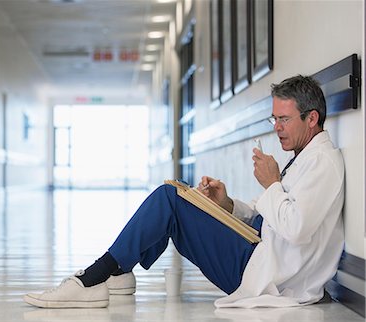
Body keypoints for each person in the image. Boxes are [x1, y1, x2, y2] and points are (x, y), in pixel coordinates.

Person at [24, 75, 344, 309]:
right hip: (258, 251)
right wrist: (227, 203)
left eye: (284, 119)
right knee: (176, 193)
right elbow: (268, 211)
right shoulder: (304, 158)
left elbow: (297, 228)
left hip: (261, 270)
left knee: (169, 200)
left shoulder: (323, 163)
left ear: (311, 118)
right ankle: (118, 271)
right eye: (275, 118)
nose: (277, 127)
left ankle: (95, 277)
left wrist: (272, 182)